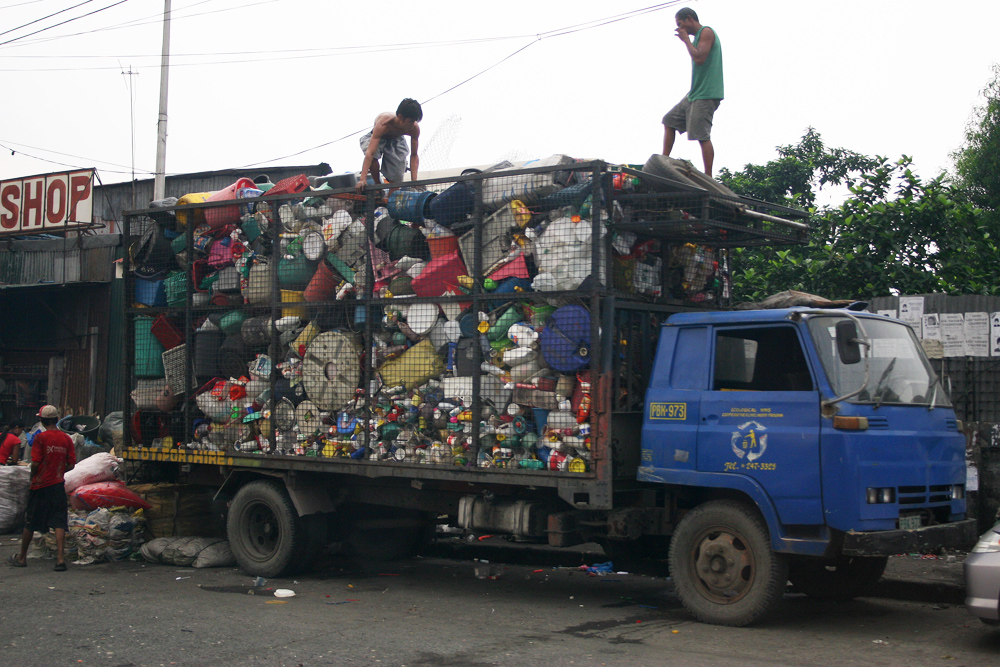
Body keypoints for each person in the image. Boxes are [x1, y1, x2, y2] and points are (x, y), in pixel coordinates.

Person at [8, 406, 75, 571]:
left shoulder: (40, 438)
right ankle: (60, 559)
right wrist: (58, 472)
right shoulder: (66, 438)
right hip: (58, 485)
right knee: (59, 522)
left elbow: (36, 462)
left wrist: (33, 475)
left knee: (30, 521)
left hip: (41, 485)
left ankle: (22, 557)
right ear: (56, 419)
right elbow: (71, 464)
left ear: (42, 420)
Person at [661, 7, 724, 176]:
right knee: (669, 120)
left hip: (707, 94)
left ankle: (708, 176)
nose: (681, 29)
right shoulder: (697, 37)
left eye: (681, 24)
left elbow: (699, 58)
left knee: (702, 135)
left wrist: (685, 41)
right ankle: (663, 161)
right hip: (695, 93)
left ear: (689, 19)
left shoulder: (706, 32)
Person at [355, 98, 422, 193]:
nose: (412, 124)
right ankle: (378, 187)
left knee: (397, 173)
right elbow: (370, 152)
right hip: (378, 137)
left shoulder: (414, 129)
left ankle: (391, 198)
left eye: (415, 121)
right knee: (372, 156)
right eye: (410, 121)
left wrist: (414, 181)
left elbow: (414, 155)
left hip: (397, 140)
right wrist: (362, 180)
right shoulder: (384, 124)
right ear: (400, 117)